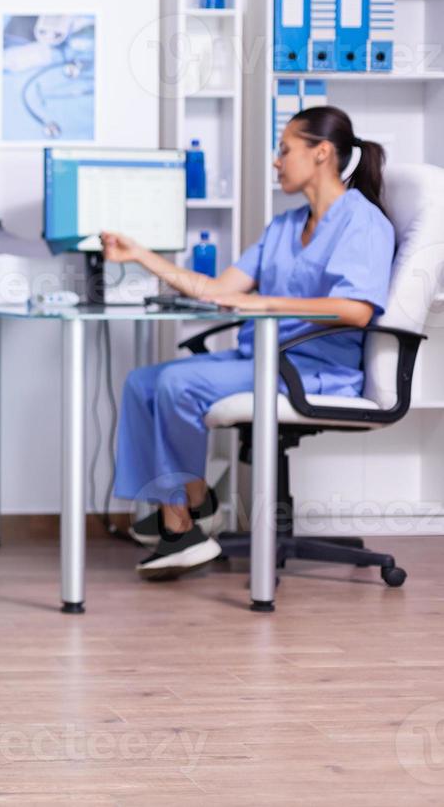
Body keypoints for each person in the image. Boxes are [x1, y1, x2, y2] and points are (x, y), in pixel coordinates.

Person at [102, 105, 394, 580]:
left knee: (178, 385)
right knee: (143, 382)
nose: (277, 162)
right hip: (262, 359)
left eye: (284, 150)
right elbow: (219, 290)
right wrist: (140, 255)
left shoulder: (362, 223)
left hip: (311, 371)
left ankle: (182, 525)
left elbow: (356, 310)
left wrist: (266, 304)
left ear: (321, 153)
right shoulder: (284, 226)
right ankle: (193, 506)